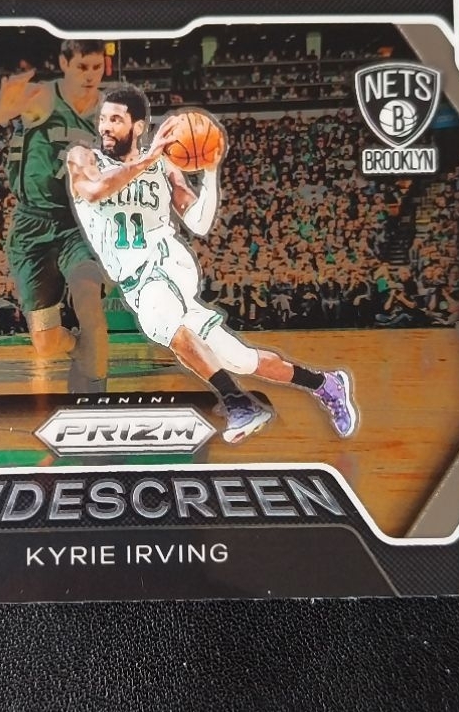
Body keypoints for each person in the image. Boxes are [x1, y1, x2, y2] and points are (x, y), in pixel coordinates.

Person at [66, 86, 356, 444]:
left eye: (115, 119)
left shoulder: (164, 166)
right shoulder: (84, 158)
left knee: (160, 322)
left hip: (165, 264)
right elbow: (93, 191)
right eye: (103, 119)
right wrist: (146, 160)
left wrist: (211, 173)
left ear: (138, 127)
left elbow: (199, 223)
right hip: (139, 279)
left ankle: (239, 404)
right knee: (240, 360)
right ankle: (326, 384)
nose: (105, 126)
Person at [0, 40, 109, 392]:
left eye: (96, 67)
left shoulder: (111, 112)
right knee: (46, 343)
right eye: (82, 67)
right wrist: (2, 106)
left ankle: (96, 395)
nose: (90, 75)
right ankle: (80, 351)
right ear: (64, 63)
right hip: (32, 225)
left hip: (79, 224)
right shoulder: (43, 98)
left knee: (89, 300)